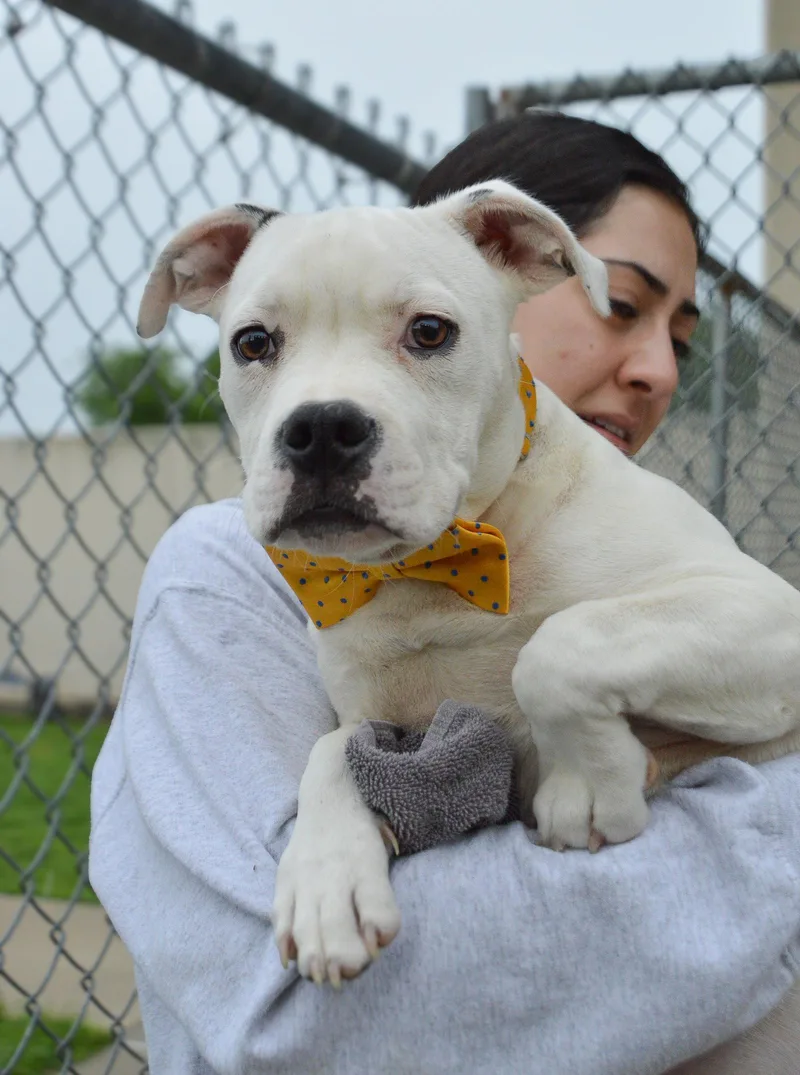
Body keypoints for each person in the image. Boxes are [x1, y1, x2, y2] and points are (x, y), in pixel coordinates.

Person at [89, 112, 800, 1075]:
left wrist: (572, 668)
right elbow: (400, 761)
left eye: (423, 333)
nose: (324, 408)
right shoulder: (240, 580)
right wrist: (336, 800)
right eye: (261, 344)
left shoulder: (605, 509)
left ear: (519, 259)